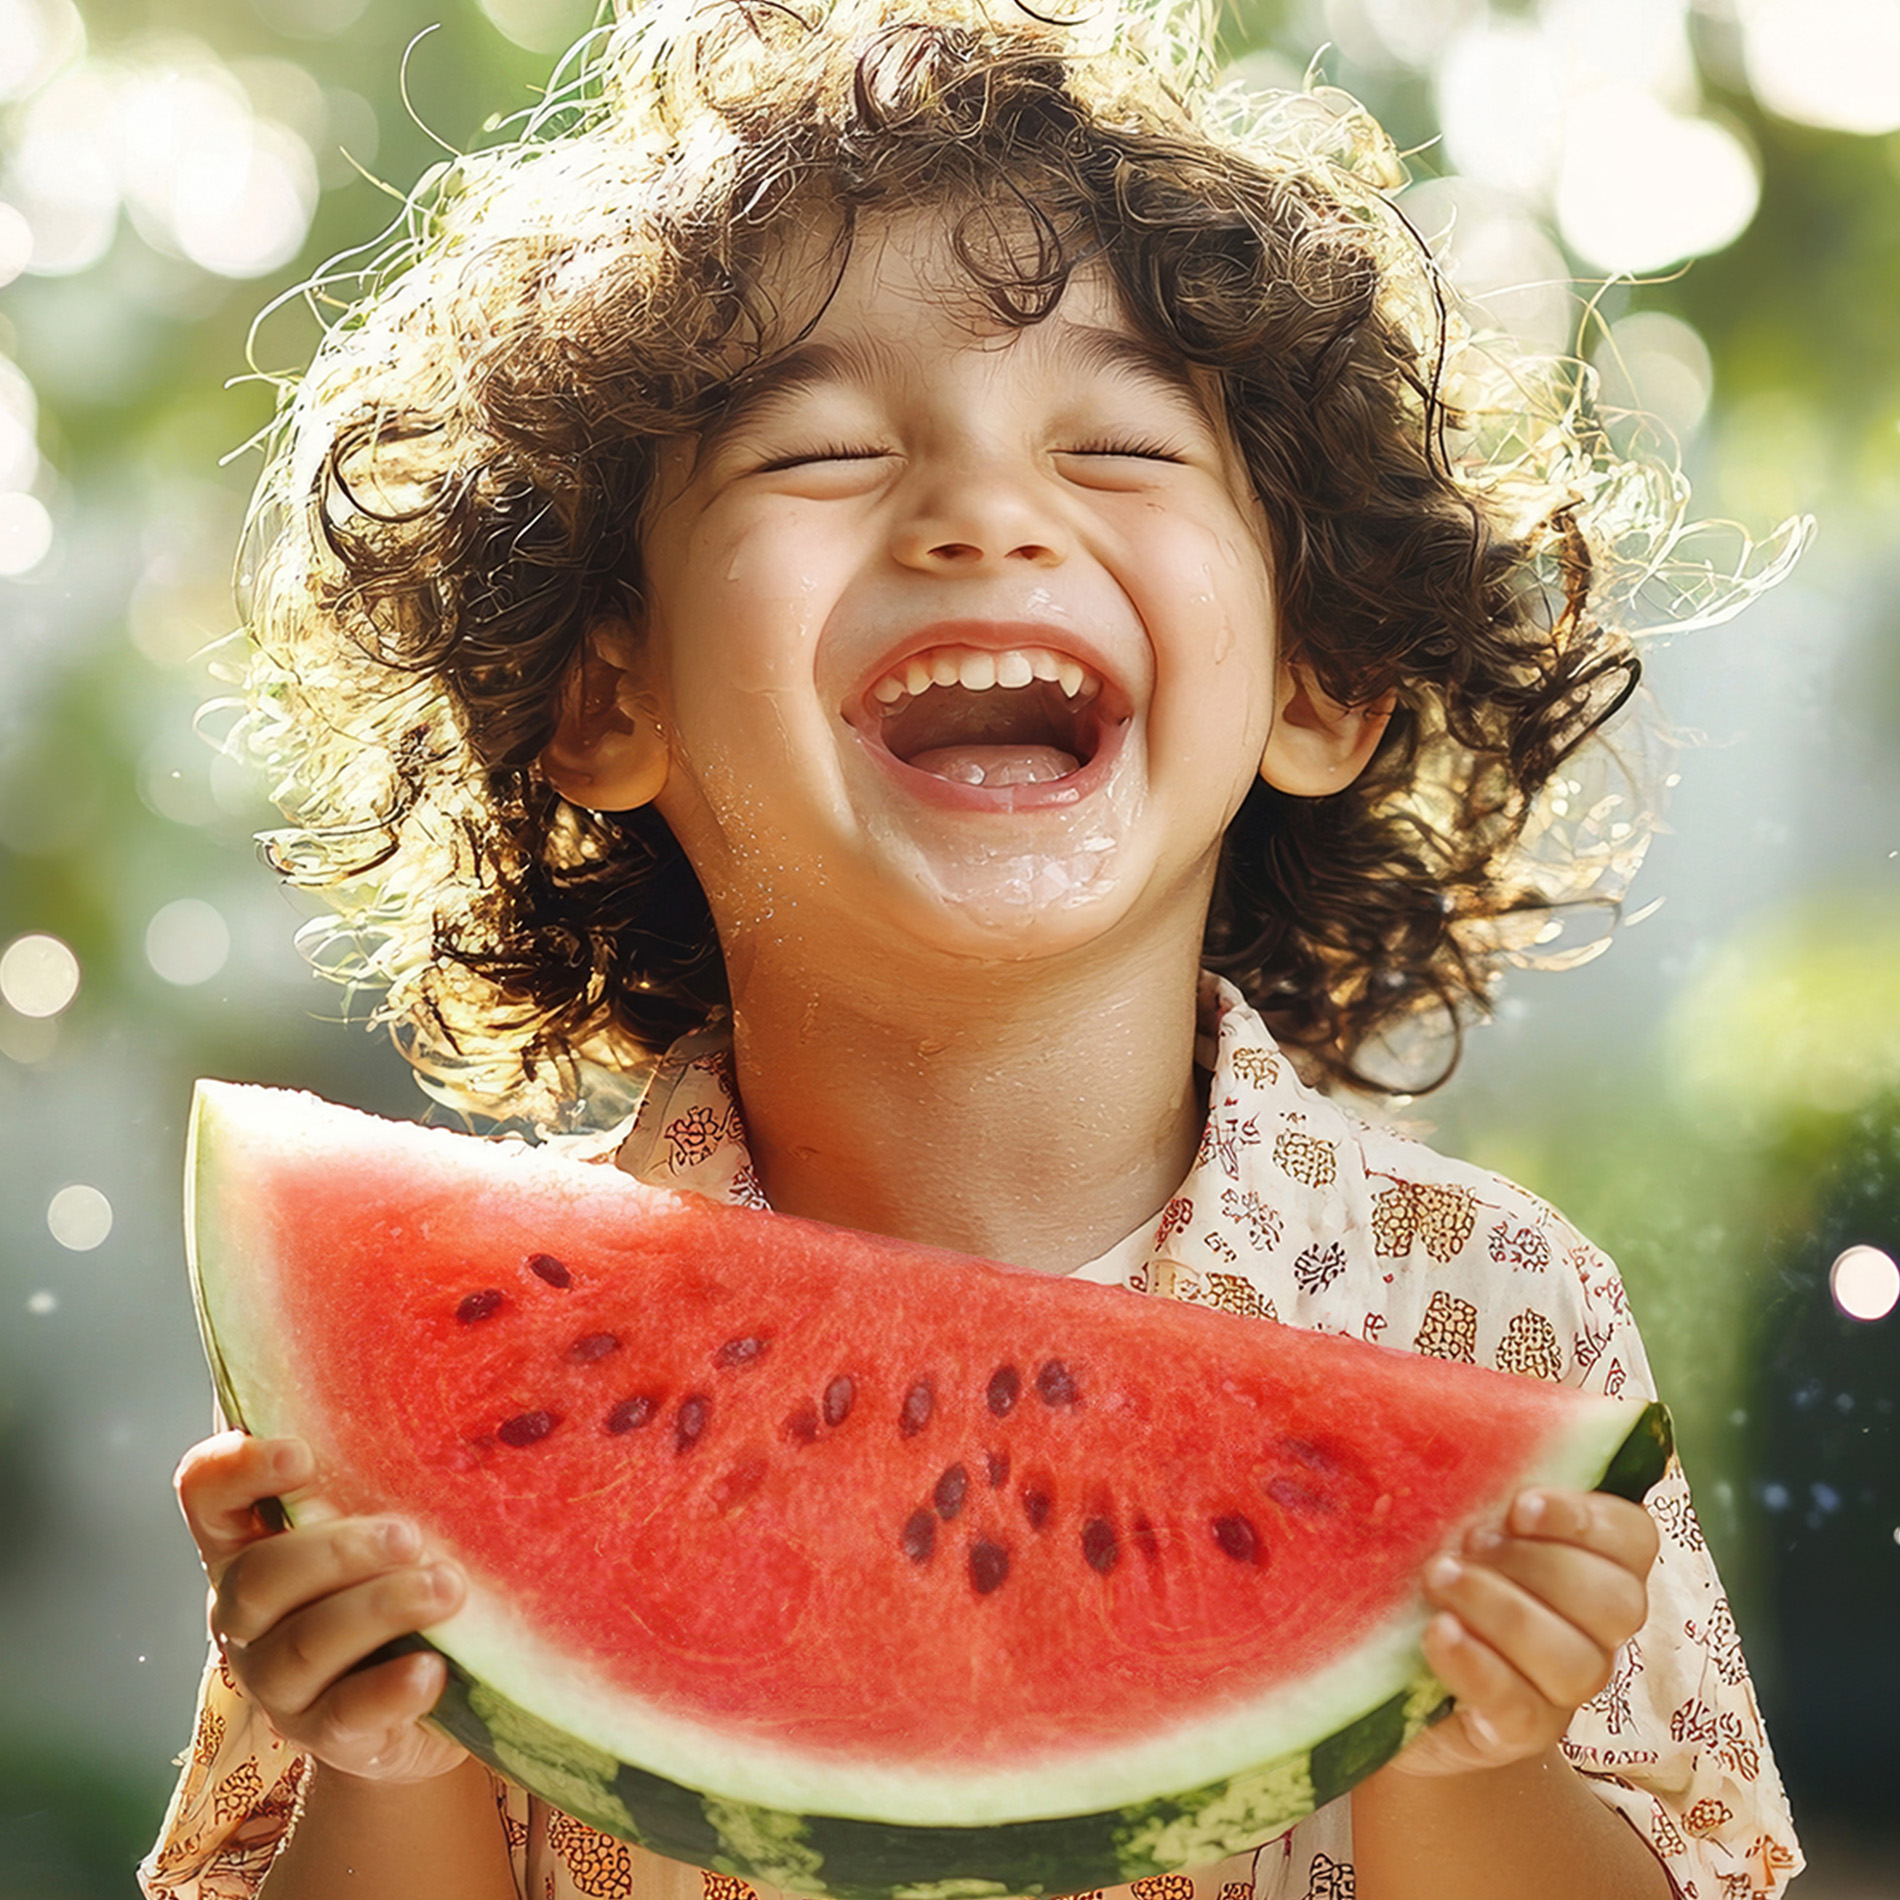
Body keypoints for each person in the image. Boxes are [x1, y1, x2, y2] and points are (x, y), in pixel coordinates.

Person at [142, 1, 1804, 1895]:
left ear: (1320, 678)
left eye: (1116, 444)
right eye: (824, 451)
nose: (984, 515)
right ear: (608, 694)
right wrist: (384, 1762)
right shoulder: (447, 1394)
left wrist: (1464, 1756)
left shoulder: (1491, 1324)